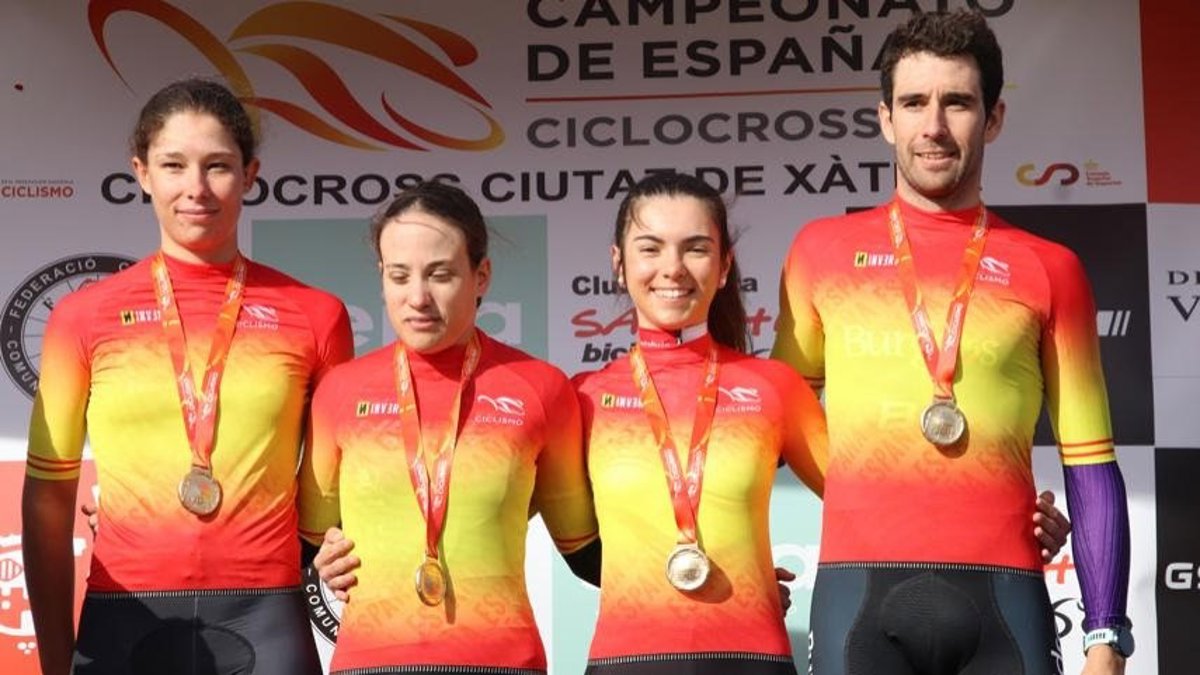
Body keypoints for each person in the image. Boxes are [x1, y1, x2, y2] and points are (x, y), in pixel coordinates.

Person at [772, 10, 1131, 675]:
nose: (933, 125)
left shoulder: (1050, 267)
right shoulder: (820, 253)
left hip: (1003, 597)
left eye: (957, 103)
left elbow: (1090, 461)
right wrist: (874, 489)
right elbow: (765, 432)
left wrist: (1106, 635)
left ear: (993, 119)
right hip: (859, 595)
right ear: (886, 119)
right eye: (914, 103)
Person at [22, 78, 353, 675]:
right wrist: (52, 662)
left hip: (267, 614)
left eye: (218, 166)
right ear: (142, 173)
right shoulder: (82, 317)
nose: (195, 188)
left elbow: (336, 486)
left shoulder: (316, 315)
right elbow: (48, 497)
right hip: (123, 619)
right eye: (173, 165)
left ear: (250, 175)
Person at [297, 180, 600, 674]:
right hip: (369, 662)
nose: (418, 297)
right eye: (399, 276)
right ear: (382, 277)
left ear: (481, 276)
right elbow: (306, 543)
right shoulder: (339, 392)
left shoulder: (541, 389)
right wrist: (321, 558)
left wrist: (726, 576)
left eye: (440, 275)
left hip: (502, 663)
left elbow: (590, 554)